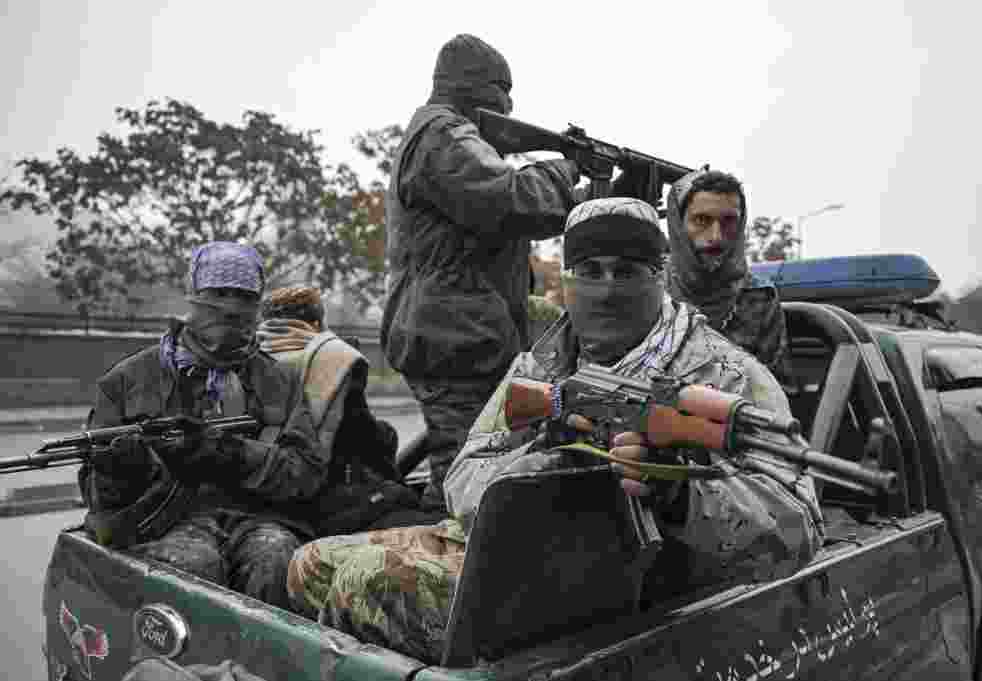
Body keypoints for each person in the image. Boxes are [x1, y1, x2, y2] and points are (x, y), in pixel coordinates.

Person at [288, 198, 823, 662]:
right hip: (523, 557)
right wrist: (545, 451)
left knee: (362, 586)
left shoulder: (726, 376)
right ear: (566, 283)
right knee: (310, 563)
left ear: (659, 277)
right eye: (590, 270)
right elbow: (462, 483)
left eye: (628, 270)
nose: (608, 289)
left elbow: (799, 527)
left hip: (641, 593)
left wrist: (681, 496)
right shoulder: (539, 368)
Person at [380, 33, 581, 510]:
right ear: (481, 93)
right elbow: (505, 200)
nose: (510, 111)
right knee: (466, 484)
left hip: (458, 332)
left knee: (465, 465)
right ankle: (434, 570)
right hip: (456, 337)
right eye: (503, 98)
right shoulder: (442, 133)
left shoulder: (441, 134)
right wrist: (568, 171)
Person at [78, 242, 328, 610]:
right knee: (195, 564)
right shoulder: (129, 380)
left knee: (276, 557)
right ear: (194, 296)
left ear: (257, 304)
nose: (230, 307)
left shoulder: (280, 382)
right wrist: (122, 472)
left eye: (243, 297)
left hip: (256, 517)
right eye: (219, 294)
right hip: (159, 521)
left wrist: (231, 454)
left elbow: (304, 473)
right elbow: (97, 494)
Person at [257, 286, 440, 534]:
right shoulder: (332, 359)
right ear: (317, 321)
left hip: (263, 501)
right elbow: (365, 440)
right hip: (323, 503)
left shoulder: (249, 357)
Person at [616, 165, 791, 380]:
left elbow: (778, 394)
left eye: (729, 221)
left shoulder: (760, 298)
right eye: (701, 220)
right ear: (679, 224)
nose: (716, 236)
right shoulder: (647, 287)